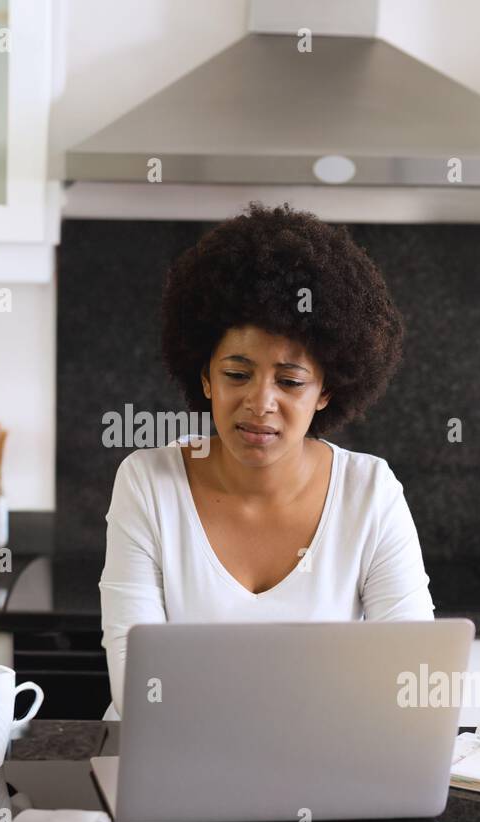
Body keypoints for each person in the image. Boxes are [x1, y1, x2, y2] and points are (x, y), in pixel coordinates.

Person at [98, 202, 434, 719]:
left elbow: (419, 685)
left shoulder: (371, 494)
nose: (260, 403)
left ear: (326, 390)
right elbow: (138, 691)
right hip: (169, 777)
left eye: (291, 381)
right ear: (205, 377)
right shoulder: (148, 483)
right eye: (236, 375)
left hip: (320, 778)